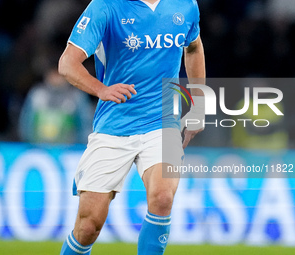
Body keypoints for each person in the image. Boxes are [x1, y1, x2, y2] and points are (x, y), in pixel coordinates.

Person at [58, 0, 205, 254]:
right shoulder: (105, 7)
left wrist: (199, 104)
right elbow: (67, 63)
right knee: (88, 226)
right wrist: (101, 89)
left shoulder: (185, 5)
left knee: (162, 197)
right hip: (114, 124)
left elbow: (193, 48)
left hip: (162, 120)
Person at [19, 64, 93, 144]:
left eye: (60, 74)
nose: (56, 78)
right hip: (39, 150)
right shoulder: (37, 94)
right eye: (53, 73)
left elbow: (85, 124)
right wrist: (29, 144)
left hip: (70, 151)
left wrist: (80, 147)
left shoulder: (76, 96)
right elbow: (26, 122)